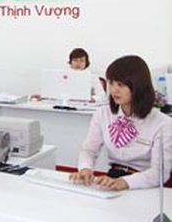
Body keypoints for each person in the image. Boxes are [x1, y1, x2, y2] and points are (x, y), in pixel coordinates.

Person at [70, 55, 172, 190]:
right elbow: (89, 150)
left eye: (121, 85)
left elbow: (159, 173)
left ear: (138, 86)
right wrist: (85, 168)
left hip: (144, 184)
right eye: (111, 83)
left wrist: (124, 182)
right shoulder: (103, 114)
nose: (113, 90)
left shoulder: (162, 123)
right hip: (113, 179)